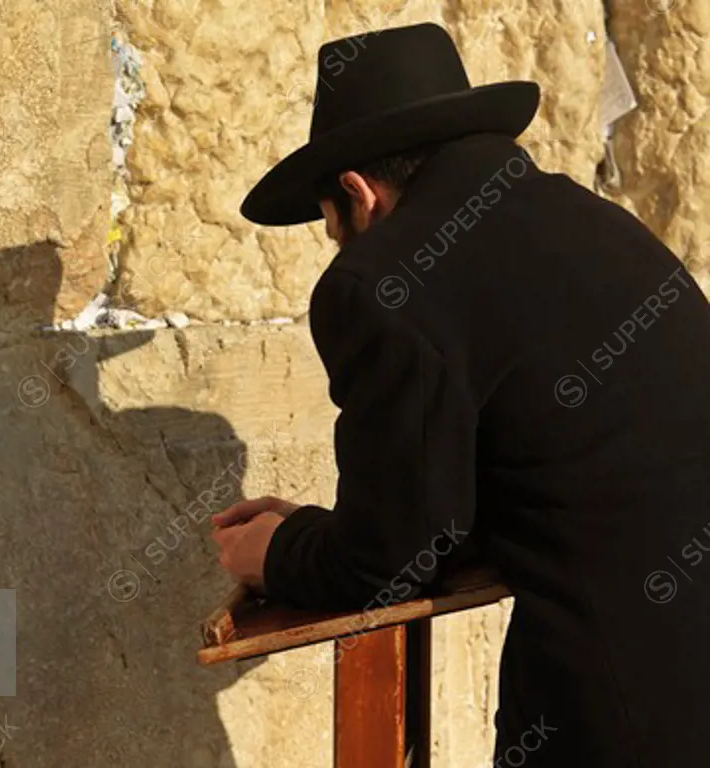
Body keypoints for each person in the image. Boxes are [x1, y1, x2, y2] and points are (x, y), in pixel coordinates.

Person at [211, 22, 710, 768]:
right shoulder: (595, 224)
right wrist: (318, 527)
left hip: (617, 713)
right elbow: (478, 496)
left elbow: (387, 562)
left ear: (356, 191)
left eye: (331, 227)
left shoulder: (380, 283)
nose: (340, 246)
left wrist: (274, 553)